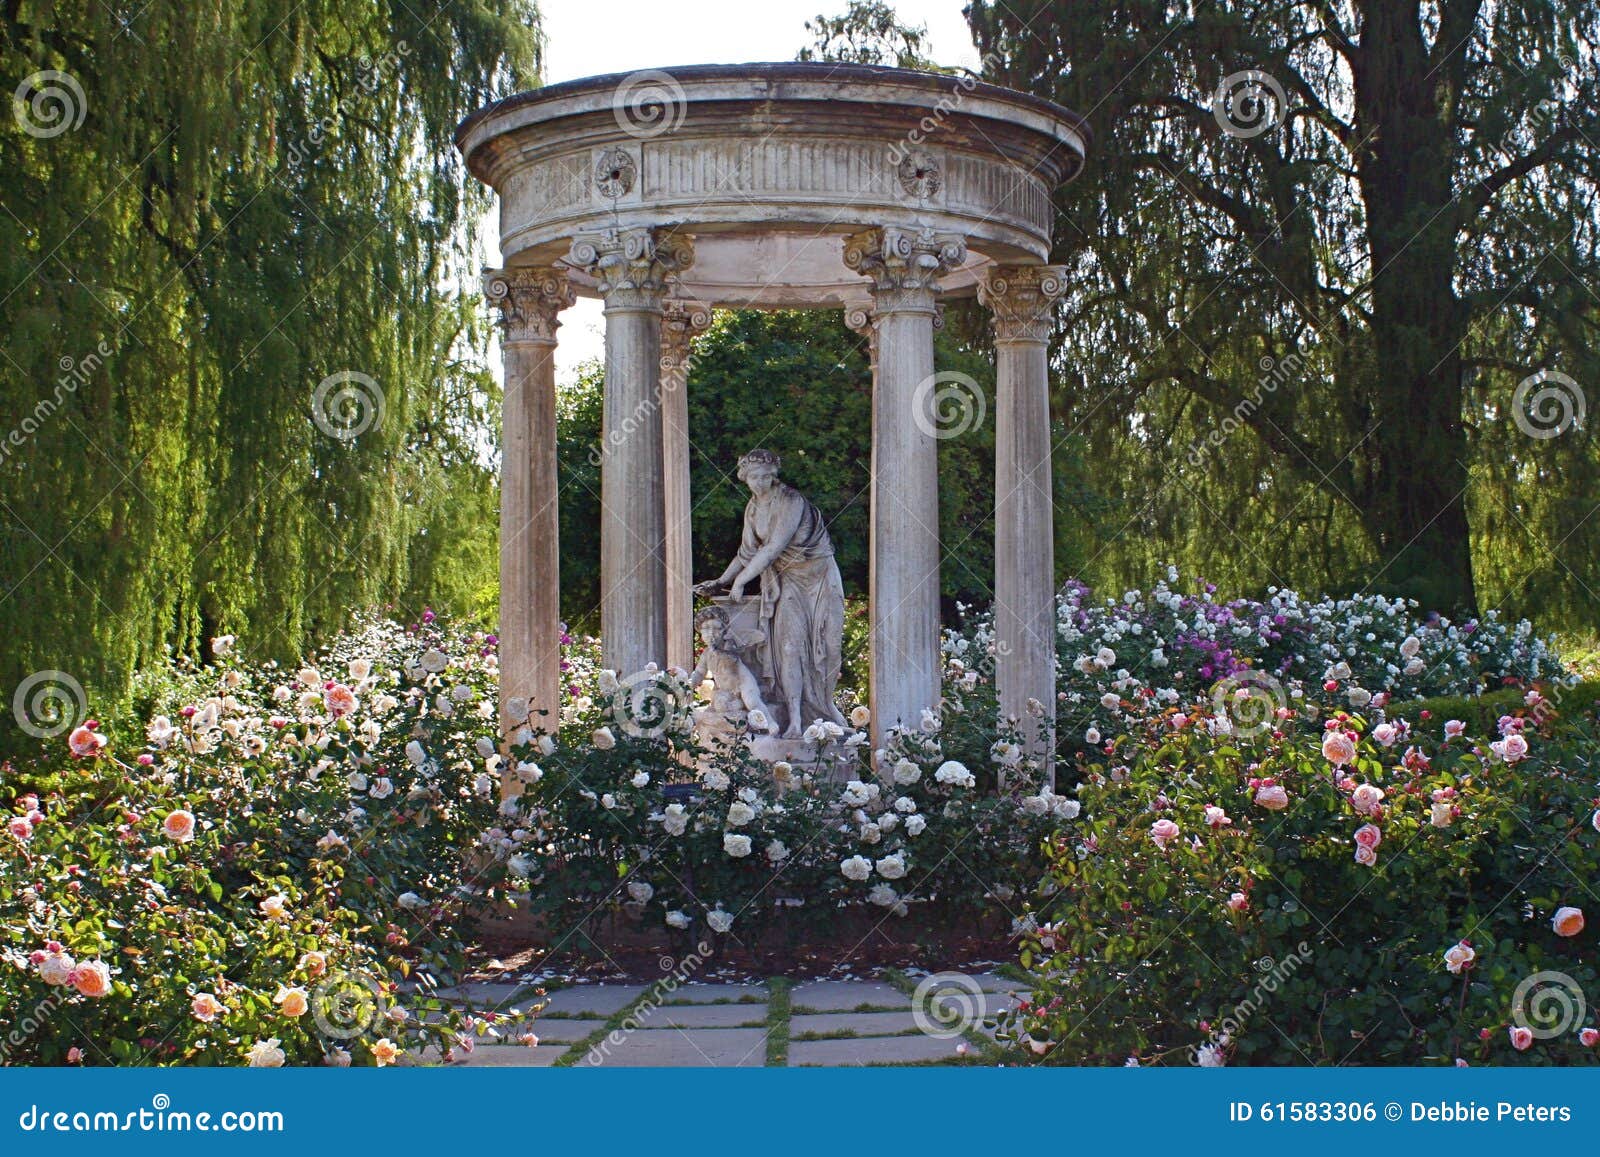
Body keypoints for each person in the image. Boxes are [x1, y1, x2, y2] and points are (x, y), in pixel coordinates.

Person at [695, 449, 847, 738]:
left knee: (830, 647)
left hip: (820, 576)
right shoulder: (753, 509)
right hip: (789, 579)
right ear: (745, 478)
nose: (760, 482)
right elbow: (746, 552)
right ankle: (795, 721)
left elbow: (773, 546)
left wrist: (740, 582)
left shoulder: (791, 500)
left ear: (774, 476)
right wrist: (722, 580)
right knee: (790, 649)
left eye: (765, 476)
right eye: (753, 477)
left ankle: (826, 706)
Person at [686, 605, 779, 734]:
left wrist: (718, 652)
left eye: (716, 628)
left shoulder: (728, 645)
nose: (711, 633)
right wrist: (691, 683)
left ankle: (770, 723)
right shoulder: (706, 654)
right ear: (700, 632)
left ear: (724, 631)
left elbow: (732, 660)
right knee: (720, 706)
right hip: (725, 689)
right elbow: (700, 672)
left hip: (743, 683)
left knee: (752, 701)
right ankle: (738, 705)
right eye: (706, 629)